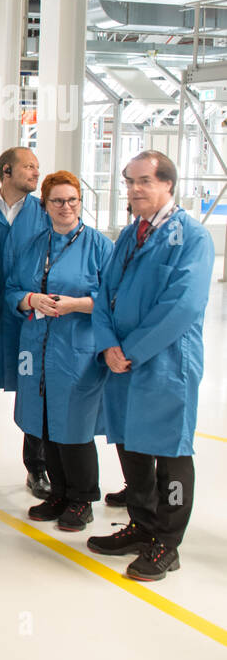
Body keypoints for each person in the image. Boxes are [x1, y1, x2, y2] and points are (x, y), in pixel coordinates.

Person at [87, 151, 212, 580]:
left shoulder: (192, 238)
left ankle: (168, 541)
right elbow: (103, 293)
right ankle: (141, 524)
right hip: (121, 361)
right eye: (129, 182)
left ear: (167, 185)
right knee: (131, 443)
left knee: (170, 451)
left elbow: (182, 306)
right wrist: (107, 345)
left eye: (143, 181)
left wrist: (131, 350)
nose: (134, 190)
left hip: (166, 363)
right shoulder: (129, 235)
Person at [5, 171, 113, 532]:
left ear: (80, 203)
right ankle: (59, 491)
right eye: (58, 201)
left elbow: (114, 301)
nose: (66, 207)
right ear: (44, 205)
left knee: (75, 424)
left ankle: (82, 498)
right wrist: (29, 299)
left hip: (77, 348)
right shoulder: (34, 246)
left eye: (72, 200)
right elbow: (11, 290)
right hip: (37, 346)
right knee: (45, 420)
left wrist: (77, 305)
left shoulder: (99, 247)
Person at [0, 146, 51, 497]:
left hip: (29, 319)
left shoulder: (45, 215)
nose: (36, 172)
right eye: (28, 167)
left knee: (35, 394)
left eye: (37, 167)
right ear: (6, 171)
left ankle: (37, 468)